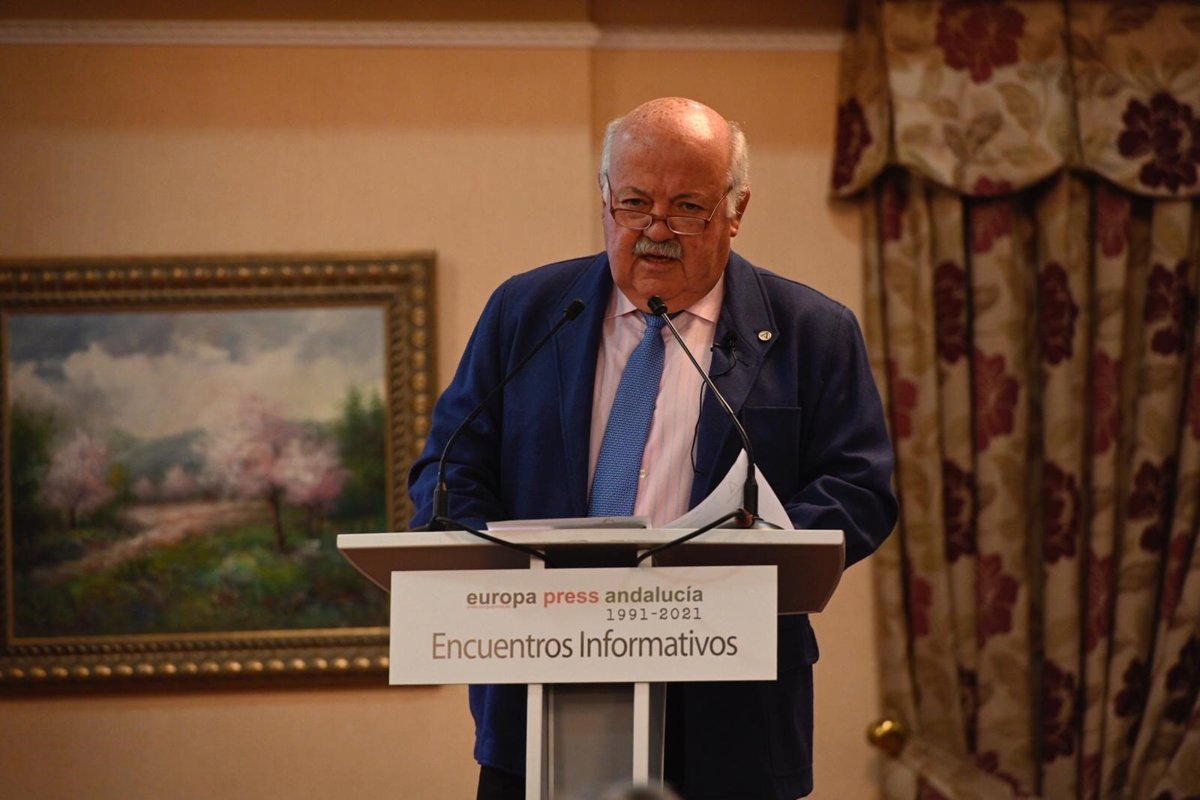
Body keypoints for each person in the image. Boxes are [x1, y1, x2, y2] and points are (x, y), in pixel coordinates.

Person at [408, 97, 897, 799]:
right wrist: (492, 572)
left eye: (687, 208)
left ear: (736, 210)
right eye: (635, 203)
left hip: (731, 698)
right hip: (541, 684)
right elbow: (451, 464)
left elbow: (859, 487)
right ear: (605, 198)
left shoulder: (811, 331)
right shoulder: (527, 311)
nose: (656, 230)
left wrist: (754, 559)